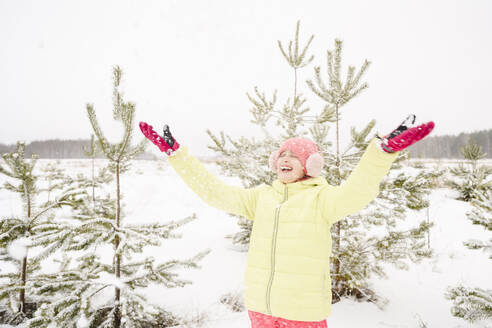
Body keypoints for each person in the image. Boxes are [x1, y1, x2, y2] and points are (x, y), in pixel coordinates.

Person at [139, 115, 434, 328]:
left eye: (296, 155)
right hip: (260, 308)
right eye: (283, 154)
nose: (286, 158)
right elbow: (215, 193)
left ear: (311, 165)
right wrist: (177, 156)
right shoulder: (262, 198)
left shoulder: (323, 200)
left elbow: (358, 192)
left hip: (301, 312)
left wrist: (381, 154)